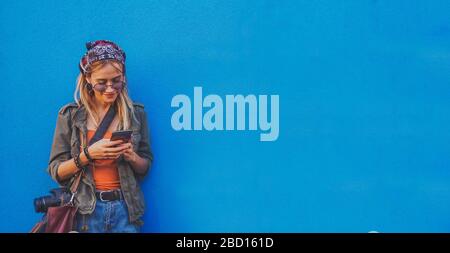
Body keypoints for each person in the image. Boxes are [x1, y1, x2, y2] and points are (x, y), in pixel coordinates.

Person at [47, 40, 153, 233]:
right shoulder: (70, 116)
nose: (110, 88)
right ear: (88, 78)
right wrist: (88, 154)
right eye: (102, 83)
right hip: (85, 211)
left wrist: (132, 157)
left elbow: (145, 167)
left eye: (116, 80)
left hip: (125, 210)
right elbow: (56, 171)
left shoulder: (136, 114)